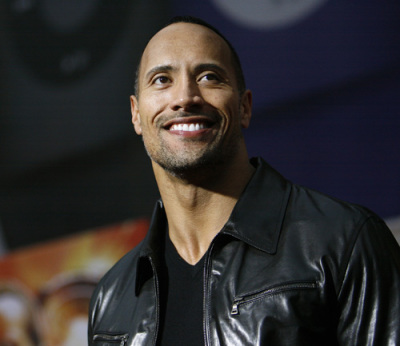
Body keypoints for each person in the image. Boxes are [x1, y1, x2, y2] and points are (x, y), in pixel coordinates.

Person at [88, 16, 400, 345]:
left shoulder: (345, 242)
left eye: (209, 77)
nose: (185, 96)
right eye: (162, 79)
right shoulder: (111, 298)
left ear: (245, 107)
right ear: (136, 114)